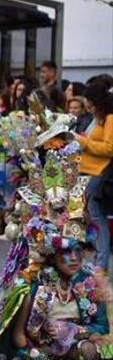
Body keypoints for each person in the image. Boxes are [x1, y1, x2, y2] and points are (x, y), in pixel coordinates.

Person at [0, 103, 108, 360]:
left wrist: (74, 331)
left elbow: (101, 328)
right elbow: (21, 339)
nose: (74, 258)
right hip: (38, 257)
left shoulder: (88, 284)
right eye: (53, 144)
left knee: (90, 351)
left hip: (72, 344)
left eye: (77, 252)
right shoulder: (35, 286)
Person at [78, 83, 113, 271]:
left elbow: (109, 148)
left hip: (99, 173)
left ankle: (101, 263)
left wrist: (84, 142)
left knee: (97, 216)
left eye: (90, 104)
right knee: (94, 216)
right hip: (91, 171)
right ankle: (99, 260)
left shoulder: (110, 119)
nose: (88, 108)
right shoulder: (99, 119)